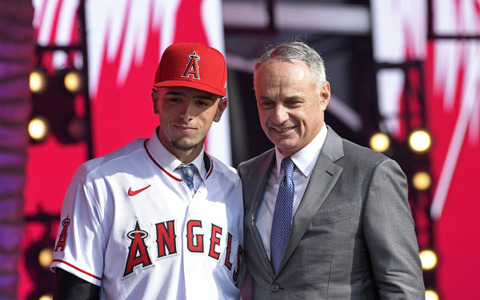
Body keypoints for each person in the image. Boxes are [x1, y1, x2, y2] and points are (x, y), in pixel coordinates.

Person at [51, 42, 245, 299]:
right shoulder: (100, 181)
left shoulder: (237, 186)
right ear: (156, 100)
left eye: (201, 102)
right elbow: (76, 292)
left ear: (220, 109)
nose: (187, 113)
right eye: (175, 98)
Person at [238, 41, 425, 299]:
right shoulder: (247, 176)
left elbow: (402, 289)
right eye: (267, 103)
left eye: (293, 102)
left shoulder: (372, 174)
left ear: (324, 95)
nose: (279, 116)